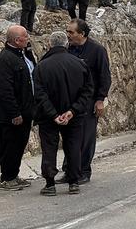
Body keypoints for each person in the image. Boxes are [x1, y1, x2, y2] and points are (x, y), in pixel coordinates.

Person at [34, 31, 93, 196]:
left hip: (48, 117)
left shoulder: (41, 66)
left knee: (49, 148)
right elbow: (87, 91)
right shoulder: (80, 64)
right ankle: (74, 182)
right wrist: (72, 111)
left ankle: (50, 184)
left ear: (50, 44)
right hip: (73, 115)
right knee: (74, 146)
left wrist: (53, 114)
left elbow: (39, 94)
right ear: (67, 44)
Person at [61, 19, 111, 184]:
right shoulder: (68, 50)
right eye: (67, 31)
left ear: (81, 34)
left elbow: (105, 76)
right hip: (71, 101)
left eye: (71, 32)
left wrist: (100, 100)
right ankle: (69, 170)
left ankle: (83, 171)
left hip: (89, 101)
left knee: (86, 137)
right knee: (70, 136)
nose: (68, 35)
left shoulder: (97, 51)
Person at [0, 25, 36, 191]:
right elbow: (5, 90)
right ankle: (7, 178)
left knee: (19, 144)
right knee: (10, 145)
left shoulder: (23, 55)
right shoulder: (6, 59)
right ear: (17, 40)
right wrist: (14, 112)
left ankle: (13, 175)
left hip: (25, 110)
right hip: (12, 115)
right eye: (25, 36)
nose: (28, 38)